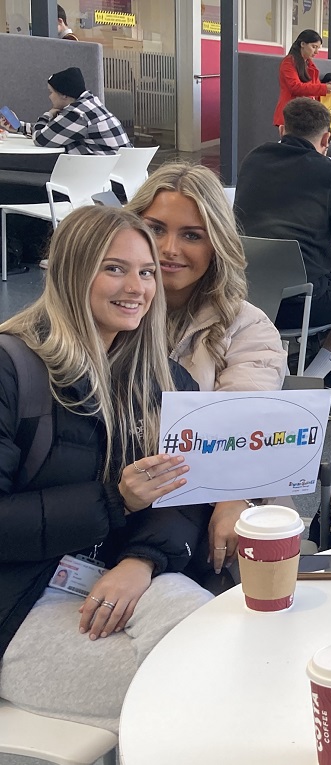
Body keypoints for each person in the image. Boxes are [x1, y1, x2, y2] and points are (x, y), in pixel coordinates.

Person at [0, 205, 213, 732]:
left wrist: (142, 560)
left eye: (146, 272)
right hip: (19, 600)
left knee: (219, 643)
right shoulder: (13, 369)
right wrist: (115, 502)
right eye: (114, 268)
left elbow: (184, 493)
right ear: (73, 272)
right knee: (191, 694)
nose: (137, 288)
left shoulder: (164, 380)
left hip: (117, 572)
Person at [125, 163, 287, 574]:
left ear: (217, 244)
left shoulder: (247, 326)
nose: (169, 249)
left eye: (192, 235)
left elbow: (241, 429)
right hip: (118, 496)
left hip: (204, 498)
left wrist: (234, 496)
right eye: (155, 229)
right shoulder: (111, 310)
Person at [234, 98, 331, 380]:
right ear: (326, 139)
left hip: (244, 294)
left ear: (282, 130)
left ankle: (304, 354)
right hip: (301, 304)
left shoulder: (253, 159)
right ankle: (313, 377)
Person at [0, 67, 131, 155]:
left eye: (51, 92)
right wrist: (19, 127)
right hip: (119, 171)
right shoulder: (89, 104)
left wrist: (49, 114)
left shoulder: (77, 114)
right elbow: (55, 130)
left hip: (103, 175)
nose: (50, 97)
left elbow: (41, 139)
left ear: (64, 95)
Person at [272, 29, 331, 133]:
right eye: (314, 47)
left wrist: (326, 88)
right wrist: (324, 88)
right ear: (302, 44)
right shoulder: (288, 62)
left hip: (305, 114)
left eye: (318, 48)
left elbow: (314, 87)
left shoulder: (309, 64)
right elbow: (295, 87)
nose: (316, 52)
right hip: (292, 113)